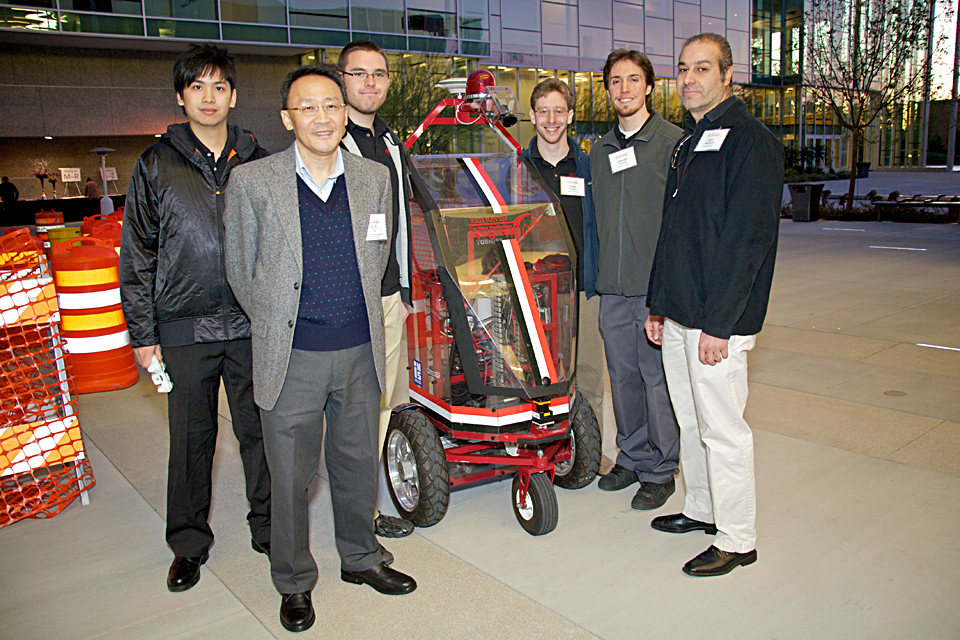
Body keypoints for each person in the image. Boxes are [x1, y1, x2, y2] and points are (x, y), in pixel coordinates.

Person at [223, 65, 417, 634]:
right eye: (307, 107)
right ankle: (294, 580)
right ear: (287, 118)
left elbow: (378, 255)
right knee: (290, 475)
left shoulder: (371, 178)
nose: (322, 116)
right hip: (293, 355)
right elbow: (240, 269)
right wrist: (282, 321)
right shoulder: (254, 183)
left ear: (344, 111)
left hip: (359, 347)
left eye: (331, 105)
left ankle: (360, 558)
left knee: (357, 461)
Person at [119, 44, 271, 594]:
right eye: (197, 87)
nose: (209, 98)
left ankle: (270, 528)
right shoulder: (155, 164)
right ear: (181, 96)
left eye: (219, 87)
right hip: (184, 327)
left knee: (261, 433)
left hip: (252, 324)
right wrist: (143, 333)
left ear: (233, 94)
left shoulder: (257, 159)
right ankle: (188, 544)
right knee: (190, 440)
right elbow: (138, 254)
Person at [645, 33, 783, 577]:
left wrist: (720, 325)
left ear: (728, 75)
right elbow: (673, 232)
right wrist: (660, 304)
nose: (689, 78)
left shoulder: (752, 143)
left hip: (716, 322)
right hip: (680, 314)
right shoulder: (688, 142)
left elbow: (747, 242)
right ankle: (702, 508)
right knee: (691, 419)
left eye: (703, 68)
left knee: (723, 427)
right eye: (683, 68)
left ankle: (738, 536)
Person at [588, 49, 683, 509]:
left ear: (648, 86)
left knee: (655, 379)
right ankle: (632, 453)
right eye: (615, 82)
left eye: (632, 80)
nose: (623, 89)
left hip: (654, 291)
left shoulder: (672, 144)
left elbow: (682, 226)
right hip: (613, 289)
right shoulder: (601, 150)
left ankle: (662, 468)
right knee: (622, 377)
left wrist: (667, 295)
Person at [336, 40, 415, 540]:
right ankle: (355, 512)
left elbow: (402, 220)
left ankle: (365, 504)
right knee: (348, 409)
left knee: (382, 403)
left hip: (388, 296)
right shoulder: (328, 140)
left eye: (379, 74)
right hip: (343, 302)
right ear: (341, 79)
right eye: (359, 73)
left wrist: (405, 286)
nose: (370, 82)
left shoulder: (390, 143)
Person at [521, 78, 605, 432]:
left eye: (558, 111)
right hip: (535, 287)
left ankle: (590, 446)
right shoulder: (518, 168)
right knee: (536, 369)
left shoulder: (588, 167)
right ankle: (539, 443)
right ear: (532, 115)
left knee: (587, 373)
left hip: (582, 286)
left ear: (570, 115)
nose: (551, 119)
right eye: (543, 111)